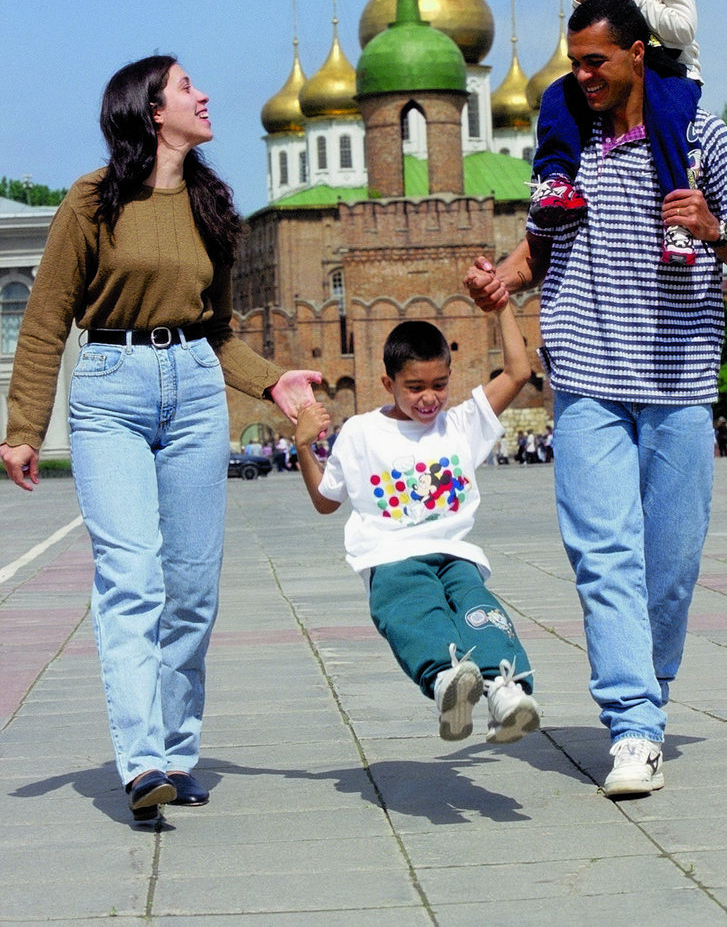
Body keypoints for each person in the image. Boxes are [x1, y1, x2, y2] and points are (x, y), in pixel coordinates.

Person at [0, 56, 319, 822]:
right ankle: (141, 762)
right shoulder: (91, 200)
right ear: (149, 109)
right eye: (186, 87)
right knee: (132, 575)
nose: (204, 94)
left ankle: (177, 752)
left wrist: (274, 382)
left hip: (196, 392)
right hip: (111, 388)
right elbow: (45, 319)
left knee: (191, 587)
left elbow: (215, 333)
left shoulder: (212, 202)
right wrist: (23, 429)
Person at [465, 0, 727, 797]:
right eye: (574, 63)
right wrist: (502, 279)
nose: (582, 76)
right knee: (602, 558)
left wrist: (709, 227)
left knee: (669, 566)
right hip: (588, 379)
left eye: (595, 61)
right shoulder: (566, 140)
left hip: (677, 383)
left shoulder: (701, 136)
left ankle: (648, 695)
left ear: (637, 52)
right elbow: (537, 250)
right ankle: (632, 727)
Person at [294, 312, 541, 746]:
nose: (429, 398)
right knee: (413, 612)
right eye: (415, 387)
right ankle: (449, 683)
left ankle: (504, 691)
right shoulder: (361, 432)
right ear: (388, 384)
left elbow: (519, 371)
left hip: (454, 554)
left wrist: (501, 305)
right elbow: (325, 501)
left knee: (479, 611)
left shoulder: (461, 424)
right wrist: (302, 445)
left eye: (439, 385)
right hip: (390, 556)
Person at [531, 0, 703, 266]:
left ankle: (677, 220)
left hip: (671, 75)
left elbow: (684, 31)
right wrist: (581, 4)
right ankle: (555, 181)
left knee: (669, 120)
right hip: (622, 80)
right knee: (559, 94)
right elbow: (592, 46)